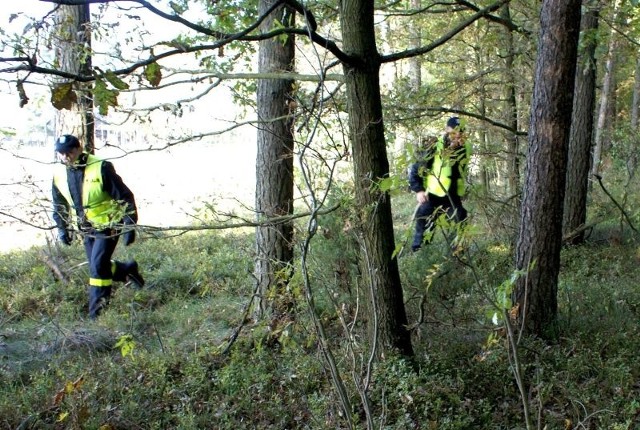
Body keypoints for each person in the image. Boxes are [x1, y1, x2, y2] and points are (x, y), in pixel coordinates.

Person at [52, 134, 145, 319]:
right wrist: (62, 229)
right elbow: (59, 204)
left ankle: (97, 314)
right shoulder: (59, 174)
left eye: (69, 152)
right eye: (61, 153)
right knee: (100, 265)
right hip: (86, 227)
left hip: (108, 223)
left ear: (79, 149)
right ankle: (127, 269)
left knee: (96, 268)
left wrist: (129, 224)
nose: (65, 157)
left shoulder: (101, 167)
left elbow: (125, 196)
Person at [408, 116, 471, 252]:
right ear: (447, 130)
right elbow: (416, 170)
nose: (458, 134)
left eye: (461, 131)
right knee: (423, 216)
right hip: (432, 195)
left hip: (452, 196)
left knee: (460, 218)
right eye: (454, 131)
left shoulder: (465, 148)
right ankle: (420, 250)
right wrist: (418, 190)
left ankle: (458, 253)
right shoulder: (433, 146)